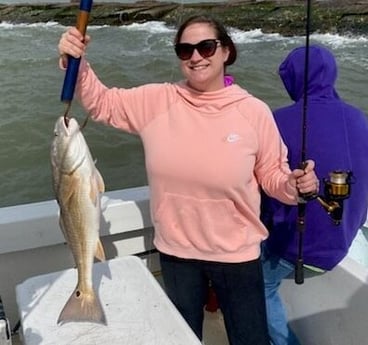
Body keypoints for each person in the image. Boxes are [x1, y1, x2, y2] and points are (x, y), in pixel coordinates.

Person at [57, 15, 319, 345]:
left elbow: (272, 175)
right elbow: (102, 102)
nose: (196, 56)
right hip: (176, 253)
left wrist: (294, 187)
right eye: (185, 50)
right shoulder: (156, 100)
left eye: (206, 47)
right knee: (182, 337)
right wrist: (78, 62)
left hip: (237, 255)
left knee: (250, 338)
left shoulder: (253, 111)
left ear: (226, 52)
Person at [260, 44, 368, 345]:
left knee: (258, 285)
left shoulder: (277, 120)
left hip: (300, 249)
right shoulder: (360, 118)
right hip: (344, 238)